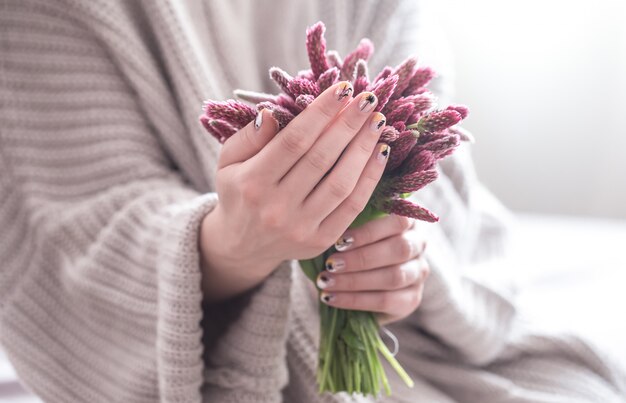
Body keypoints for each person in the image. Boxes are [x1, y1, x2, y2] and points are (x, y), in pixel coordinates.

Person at [1, 0, 624, 402]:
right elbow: (71, 231)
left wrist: (404, 258)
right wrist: (230, 245)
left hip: (422, 343)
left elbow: (439, 148)